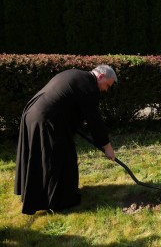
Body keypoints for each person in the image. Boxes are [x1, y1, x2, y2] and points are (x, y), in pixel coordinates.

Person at [15, 64, 117, 215]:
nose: (105, 90)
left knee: (44, 156)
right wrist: (106, 146)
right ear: (101, 76)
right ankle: (58, 201)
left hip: (33, 113)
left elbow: (67, 103)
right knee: (57, 158)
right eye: (107, 85)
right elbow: (94, 119)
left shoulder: (76, 74)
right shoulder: (89, 85)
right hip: (47, 119)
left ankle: (36, 194)